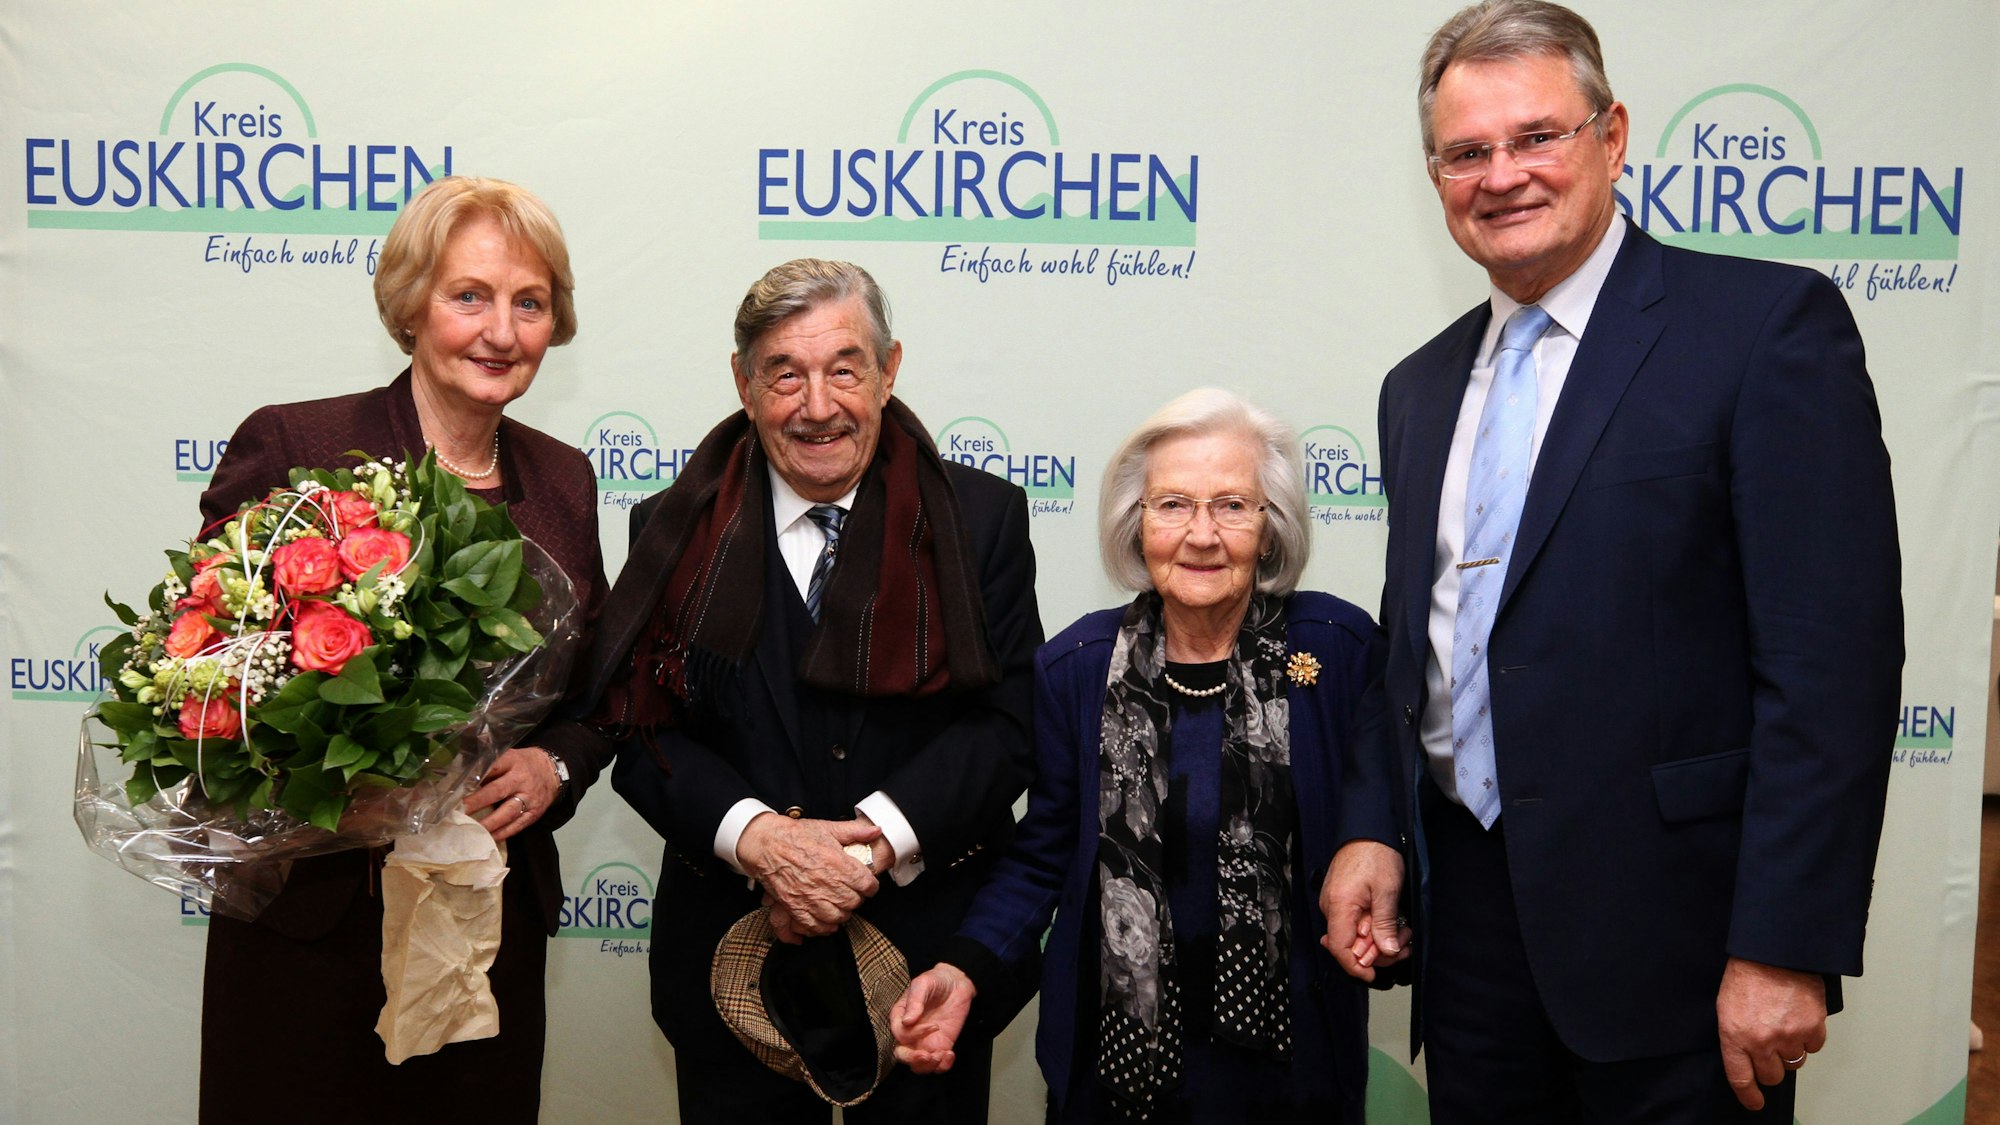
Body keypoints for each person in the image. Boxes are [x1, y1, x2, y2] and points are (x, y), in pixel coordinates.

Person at [1319, 2, 1903, 1121]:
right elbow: (1419, 649)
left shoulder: (1763, 328)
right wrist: (1371, 826)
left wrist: (1782, 944)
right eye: (1465, 152)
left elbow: (1830, 668)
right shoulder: (1419, 387)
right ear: (1434, 175)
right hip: (1469, 932)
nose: (1501, 176)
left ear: (1611, 135)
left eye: (1535, 136)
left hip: (1680, 950)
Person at [564, 258, 1042, 1123]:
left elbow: (1009, 724)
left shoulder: (984, 520)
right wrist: (764, 845)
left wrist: (864, 849)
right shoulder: (669, 526)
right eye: (785, 373)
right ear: (743, 385)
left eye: (845, 369)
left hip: (930, 970)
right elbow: (641, 735)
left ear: (890, 369)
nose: (818, 405)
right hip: (729, 967)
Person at [196, 176, 608, 1124]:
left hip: (484, 925)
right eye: (470, 295)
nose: (502, 330)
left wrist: (556, 761)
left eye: (530, 302)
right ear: (410, 304)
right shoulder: (298, 444)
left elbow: (600, 691)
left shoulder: (564, 479)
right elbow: (212, 680)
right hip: (311, 919)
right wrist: (333, 782)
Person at [892, 389, 1387, 1123]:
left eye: (1232, 505)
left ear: (1271, 526)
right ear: (1137, 523)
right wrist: (966, 965)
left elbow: (1381, 817)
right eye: (1174, 505)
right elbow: (1045, 851)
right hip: (1116, 1065)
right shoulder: (1078, 666)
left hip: (1293, 1067)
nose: (1202, 534)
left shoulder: (1336, 649)